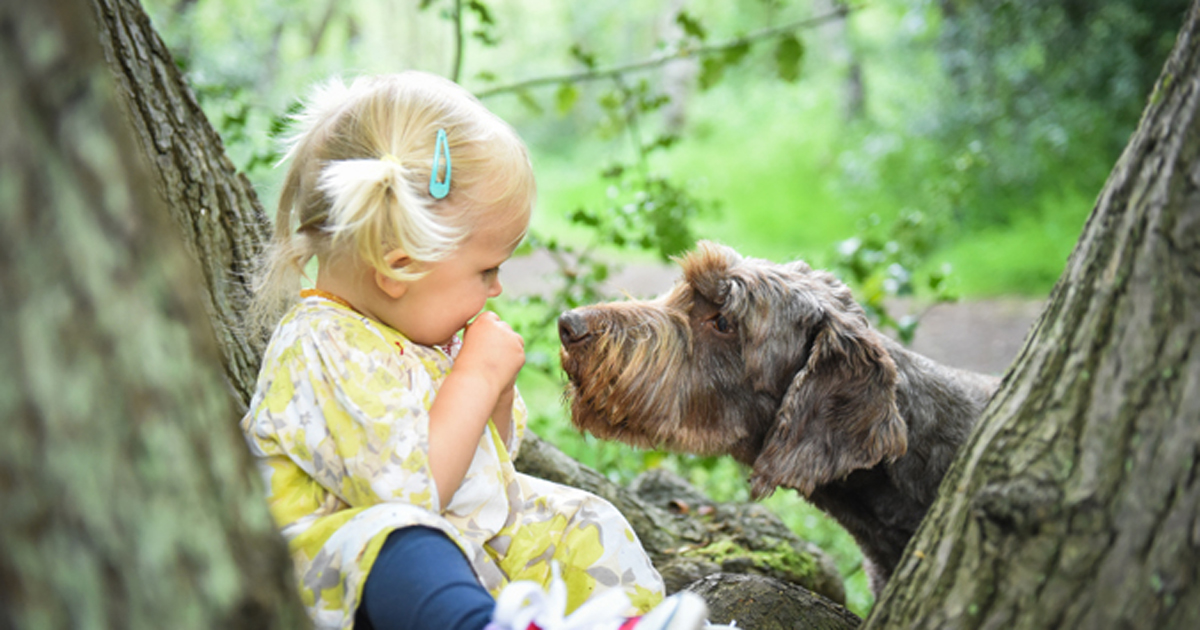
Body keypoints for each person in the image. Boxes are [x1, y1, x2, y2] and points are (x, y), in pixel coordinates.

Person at [240, 71, 712, 630]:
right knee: (402, 541)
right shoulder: (320, 344)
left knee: (584, 520)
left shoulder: (415, 330)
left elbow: (488, 464)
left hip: (451, 547)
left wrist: (496, 394)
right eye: (486, 269)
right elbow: (414, 492)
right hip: (341, 585)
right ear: (399, 265)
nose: (496, 289)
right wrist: (476, 377)